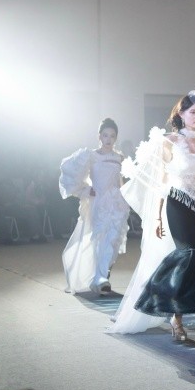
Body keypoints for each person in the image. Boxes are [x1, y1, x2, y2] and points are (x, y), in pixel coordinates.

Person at [108, 90, 195, 347]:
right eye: (192, 112)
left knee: (193, 261)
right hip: (177, 206)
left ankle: (177, 317)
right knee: (190, 256)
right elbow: (161, 184)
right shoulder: (168, 141)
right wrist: (158, 218)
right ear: (181, 114)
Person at [59, 118, 130, 294]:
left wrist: (124, 197)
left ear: (116, 138)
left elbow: (121, 181)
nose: (108, 139)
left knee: (113, 239)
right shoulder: (90, 155)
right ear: (99, 136)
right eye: (105, 135)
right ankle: (100, 278)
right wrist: (85, 190)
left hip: (116, 202)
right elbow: (71, 174)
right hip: (98, 201)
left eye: (112, 136)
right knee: (99, 238)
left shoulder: (119, 158)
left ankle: (102, 276)